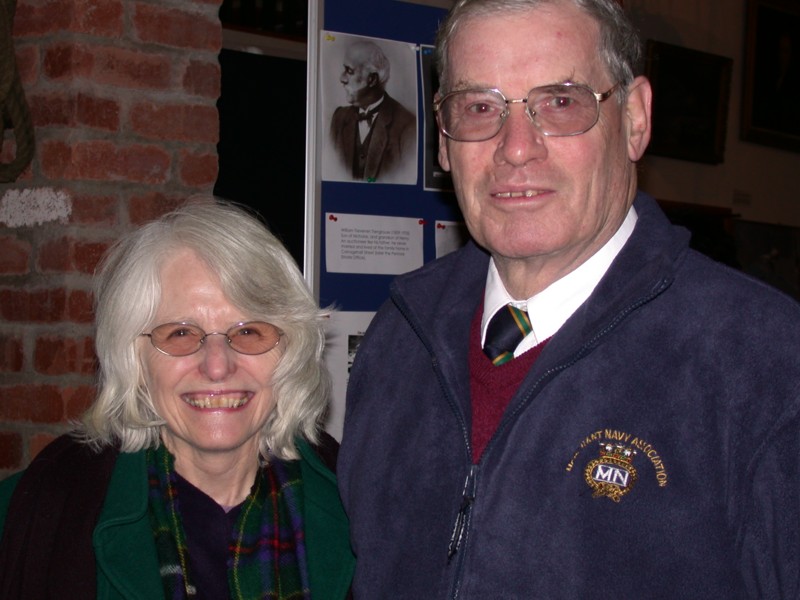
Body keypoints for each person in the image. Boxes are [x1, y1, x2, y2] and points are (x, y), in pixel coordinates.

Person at [337, 0, 800, 598]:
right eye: (480, 107)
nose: (517, 147)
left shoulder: (761, 361)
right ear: (446, 142)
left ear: (634, 118)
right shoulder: (401, 335)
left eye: (560, 102)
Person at [0, 198, 354, 599]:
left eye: (249, 331)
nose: (217, 366)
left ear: (290, 349)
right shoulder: (37, 515)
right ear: (134, 357)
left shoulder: (360, 508)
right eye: (181, 333)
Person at [330, 39, 416, 182]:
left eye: (349, 71)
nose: (342, 78)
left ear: (372, 80)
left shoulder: (407, 126)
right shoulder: (339, 118)